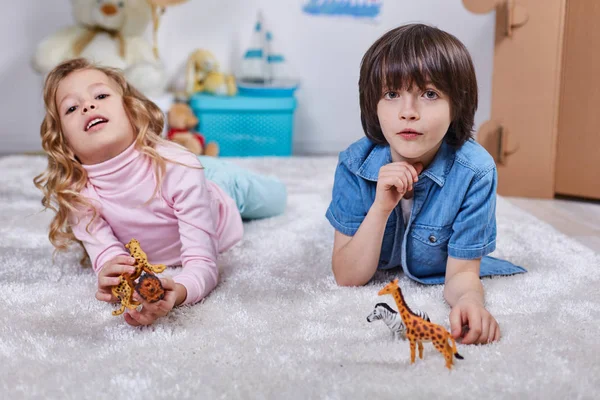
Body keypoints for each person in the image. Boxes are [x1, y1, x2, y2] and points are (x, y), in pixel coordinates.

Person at [34, 58, 287, 326]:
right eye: (71, 107)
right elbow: (108, 256)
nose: (88, 105)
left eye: (101, 95)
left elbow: (202, 263)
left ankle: (215, 167)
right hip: (185, 174)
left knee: (276, 199)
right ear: (63, 141)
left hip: (218, 191)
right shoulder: (76, 195)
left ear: (131, 110)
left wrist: (183, 289)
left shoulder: (180, 169)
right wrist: (114, 277)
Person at [326, 24, 526, 345]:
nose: (408, 113)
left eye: (429, 94)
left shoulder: (475, 172)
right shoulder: (354, 163)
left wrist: (469, 302)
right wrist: (381, 208)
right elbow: (347, 276)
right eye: (392, 94)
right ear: (372, 104)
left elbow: (461, 273)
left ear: (456, 105)